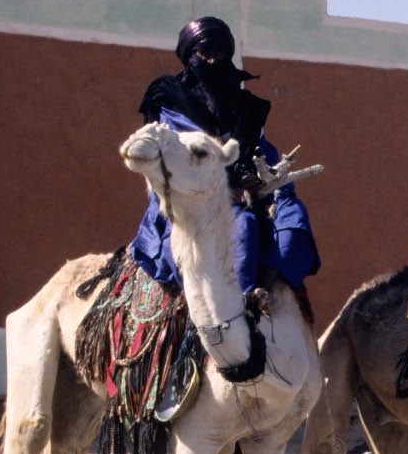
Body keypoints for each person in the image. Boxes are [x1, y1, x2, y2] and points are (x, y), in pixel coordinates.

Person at [130, 16, 320, 298]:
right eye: (204, 53)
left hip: (248, 195)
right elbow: (171, 163)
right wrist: (225, 188)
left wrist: (264, 179)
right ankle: (237, 305)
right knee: (243, 228)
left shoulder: (245, 108)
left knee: (292, 216)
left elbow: (261, 151)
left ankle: (265, 291)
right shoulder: (169, 102)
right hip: (187, 197)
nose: (212, 61)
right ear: (189, 55)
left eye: (219, 54)